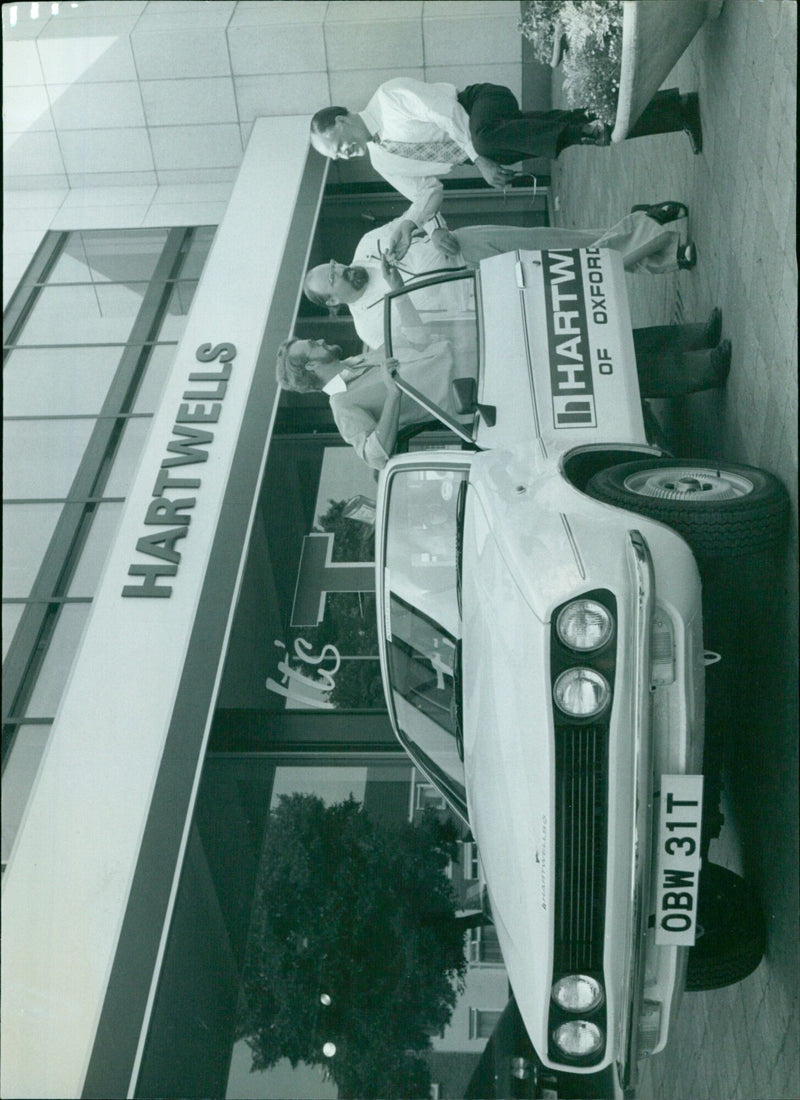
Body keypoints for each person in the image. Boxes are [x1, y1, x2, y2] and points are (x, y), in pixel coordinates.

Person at [275, 311, 731, 469]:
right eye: (309, 347)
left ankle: (693, 335)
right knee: (591, 372)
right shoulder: (342, 404)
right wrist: (394, 396)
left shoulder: (357, 360)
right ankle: (702, 370)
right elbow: (376, 454)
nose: (317, 341)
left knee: (593, 342)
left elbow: (414, 343)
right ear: (309, 370)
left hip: (481, 350)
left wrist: (403, 298)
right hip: (481, 387)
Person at [309, 77, 703, 258]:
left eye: (339, 146)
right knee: (570, 121)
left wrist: (479, 159)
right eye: (337, 157)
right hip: (488, 145)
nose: (345, 154)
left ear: (342, 120)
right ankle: (673, 110)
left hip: (480, 105)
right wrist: (431, 229)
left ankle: (585, 133)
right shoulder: (381, 159)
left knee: (488, 138)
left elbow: (447, 113)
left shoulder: (388, 97)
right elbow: (425, 192)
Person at [304, 203, 696, 350]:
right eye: (334, 278)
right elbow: (423, 344)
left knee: (569, 243)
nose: (342, 269)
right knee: (572, 267)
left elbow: (420, 214)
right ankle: (649, 229)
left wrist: (436, 227)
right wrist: (397, 290)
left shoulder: (367, 243)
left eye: (335, 265)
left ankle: (657, 242)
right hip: (484, 294)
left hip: (470, 245)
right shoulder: (370, 330)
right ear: (334, 303)